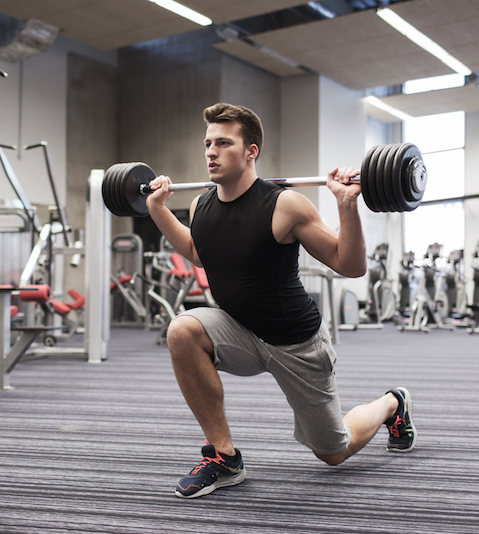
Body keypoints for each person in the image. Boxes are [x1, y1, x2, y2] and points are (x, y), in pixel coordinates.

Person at [145, 103, 416, 499]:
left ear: (251, 151)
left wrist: (346, 205)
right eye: (208, 143)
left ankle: (392, 403)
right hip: (240, 330)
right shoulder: (203, 204)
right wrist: (157, 209)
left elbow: (350, 265)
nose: (211, 152)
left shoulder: (284, 204)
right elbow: (198, 252)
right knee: (182, 329)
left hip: (296, 343)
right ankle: (223, 457)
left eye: (223, 143)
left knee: (334, 452)